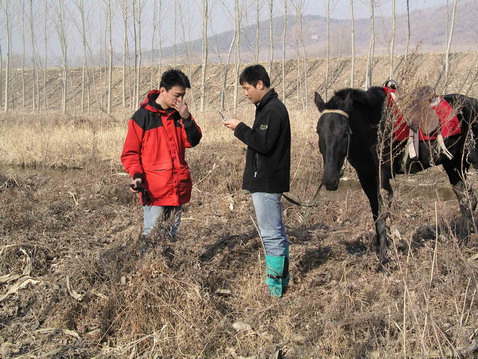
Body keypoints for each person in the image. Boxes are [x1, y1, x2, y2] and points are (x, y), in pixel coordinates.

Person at [223, 64, 291, 297]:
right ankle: (282, 282)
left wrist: (239, 127)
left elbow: (262, 143)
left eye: (247, 88)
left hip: (267, 181)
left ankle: (274, 288)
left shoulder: (272, 110)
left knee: (271, 234)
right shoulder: (267, 108)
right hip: (267, 180)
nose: (245, 93)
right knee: (277, 233)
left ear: (260, 84)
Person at [121, 69, 202, 239]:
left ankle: (168, 265)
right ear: (163, 91)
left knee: (172, 234)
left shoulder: (180, 116)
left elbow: (193, 141)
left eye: (182, 95)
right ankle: (148, 266)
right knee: (152, 234)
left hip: (177, 187)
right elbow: (130, 153)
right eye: (176, 95)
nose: (180, 100)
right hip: (154, 189)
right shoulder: (142, 117)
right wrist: (136, 176)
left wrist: (187, 117)